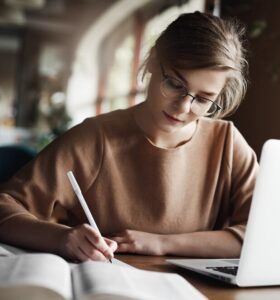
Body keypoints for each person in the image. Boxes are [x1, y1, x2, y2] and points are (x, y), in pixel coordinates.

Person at [0, 12, 258, 262]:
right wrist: (62, 238)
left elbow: (259, 236)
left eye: (203, 99)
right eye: (175, 84)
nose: (183, 108)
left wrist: (159, 243)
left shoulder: (227, 144)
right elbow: (5, 207)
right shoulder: (95, 138)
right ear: (152, 61)